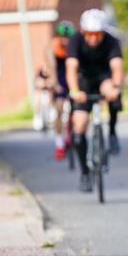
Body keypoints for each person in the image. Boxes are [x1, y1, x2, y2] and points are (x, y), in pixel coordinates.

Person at [66, 9, 124, 192]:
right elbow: (71, 68)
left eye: (97, 34)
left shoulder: (111, 40)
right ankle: (84, 173)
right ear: (83, 31)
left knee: (112, 91)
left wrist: (115, 87)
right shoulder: (75, 41)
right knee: (80, 123)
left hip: (103, 77)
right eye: (89, 34)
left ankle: (113, 132)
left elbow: (117, 67)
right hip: (83, 80)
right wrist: (74, 90)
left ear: (103, 32)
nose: (93, 38)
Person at [44, 20, 75, 160]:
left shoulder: (74, 47)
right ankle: (59, 144)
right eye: (63, 37)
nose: (65, 40)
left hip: (72, 76)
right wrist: (55, 84)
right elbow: (52, 68)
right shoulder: (52, 48)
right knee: (59, 109)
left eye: (68, 37)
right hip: (59, 77)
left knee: (76, 110)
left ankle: (71, 133)